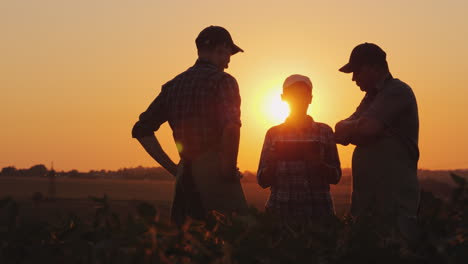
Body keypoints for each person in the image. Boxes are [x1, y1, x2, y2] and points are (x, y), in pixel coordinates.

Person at [132, 26, 248, 225]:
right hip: (216, 174)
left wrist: (175, 170)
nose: (228, 62)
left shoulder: (173, 85)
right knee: (234, 240)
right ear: (220, 49)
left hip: (185, 177)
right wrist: (228, 172)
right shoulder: (224, 81)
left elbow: (141, 130)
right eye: (229, 54)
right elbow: (231, 127)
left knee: (187, 245)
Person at [335, 43, 420, 234]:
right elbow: (339, 130)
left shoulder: (397, 90)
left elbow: (368, 127)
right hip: (368, 206)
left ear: (373, 67)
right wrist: (364, 128)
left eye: (356, 71)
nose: (354, 78)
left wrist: (363, 129)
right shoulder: (370, 98)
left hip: (394, 205)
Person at [257, 74, 342, 223]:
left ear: (310, 98)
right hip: (280, 213)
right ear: (284, 98)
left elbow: (336, 177)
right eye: (293, 94)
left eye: (303, 94)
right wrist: (271, 164)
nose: (299, 99)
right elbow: (263, 181)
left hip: (319, 214)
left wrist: (319, 165)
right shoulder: (273, 134)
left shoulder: (325, 132)